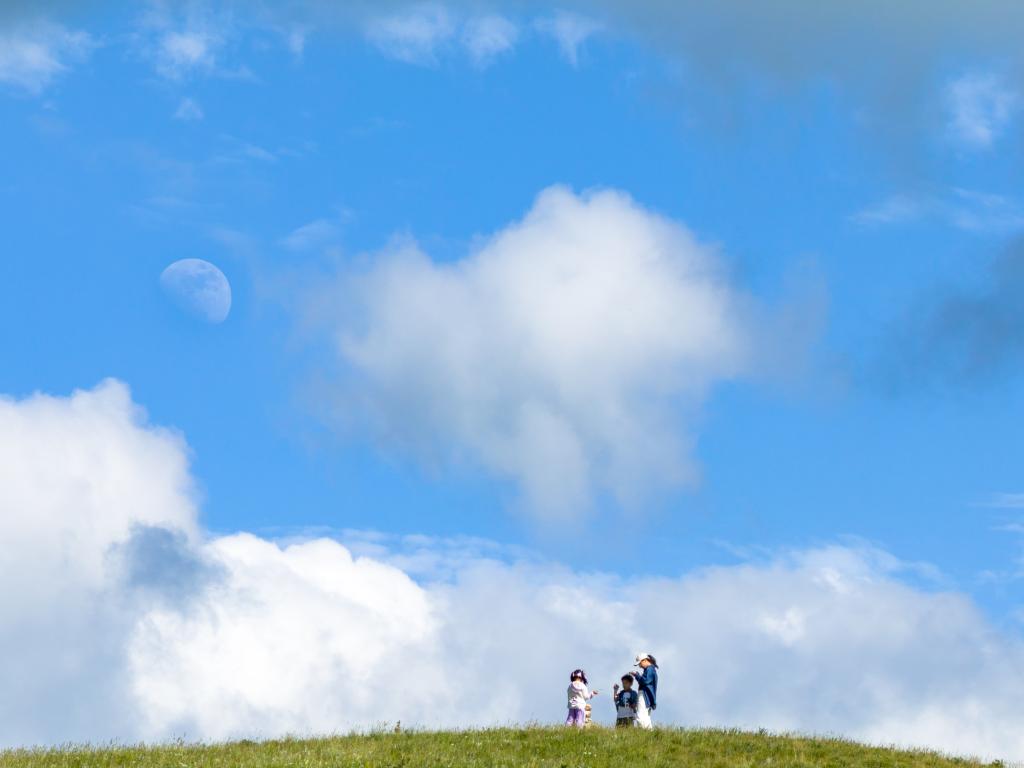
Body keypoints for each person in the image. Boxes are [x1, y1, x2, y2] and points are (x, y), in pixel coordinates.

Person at [632, 653, 658, 729]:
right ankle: (650, 735)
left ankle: (643, 733)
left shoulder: (649, 669)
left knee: (640, 716)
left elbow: (645, 681)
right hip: (647, 695)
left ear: (645, 660)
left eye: (640, 663)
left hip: (644, 694)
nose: (639, 666)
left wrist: (637, 675)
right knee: (646, 717)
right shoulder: (650, 669)